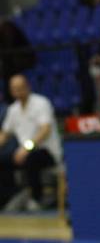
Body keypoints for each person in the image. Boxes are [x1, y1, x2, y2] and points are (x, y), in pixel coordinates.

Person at [0, 75, 61, 212]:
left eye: (21, 87)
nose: (18, 91)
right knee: (3, 159)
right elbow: (4, 134)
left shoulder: (41, 103)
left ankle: (36, 199)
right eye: (15, 88)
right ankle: (9, 196)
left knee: (31, 159)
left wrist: (27, 147)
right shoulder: (13, 110)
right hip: (23, 152)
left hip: (47, 151)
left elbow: (45, 129)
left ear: (28, 86)